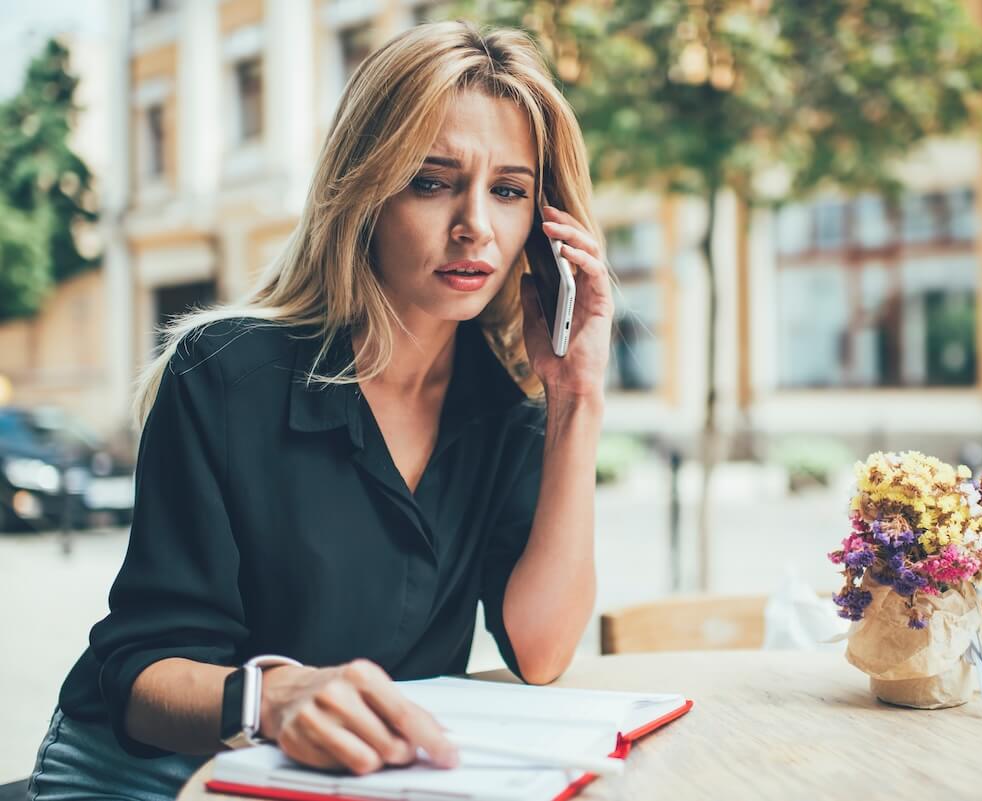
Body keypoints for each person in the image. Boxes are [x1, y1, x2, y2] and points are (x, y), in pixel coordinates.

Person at [26, 20, 612, 801]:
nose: (475, 223)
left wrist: (577, 397)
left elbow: (540, 651)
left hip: (345, 781)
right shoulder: (224, 375)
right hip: (146, 775)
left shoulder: (507, 412)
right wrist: (273, 698)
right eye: (432, 181)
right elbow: (140, 674)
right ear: (365, 189)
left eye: (508, 190)